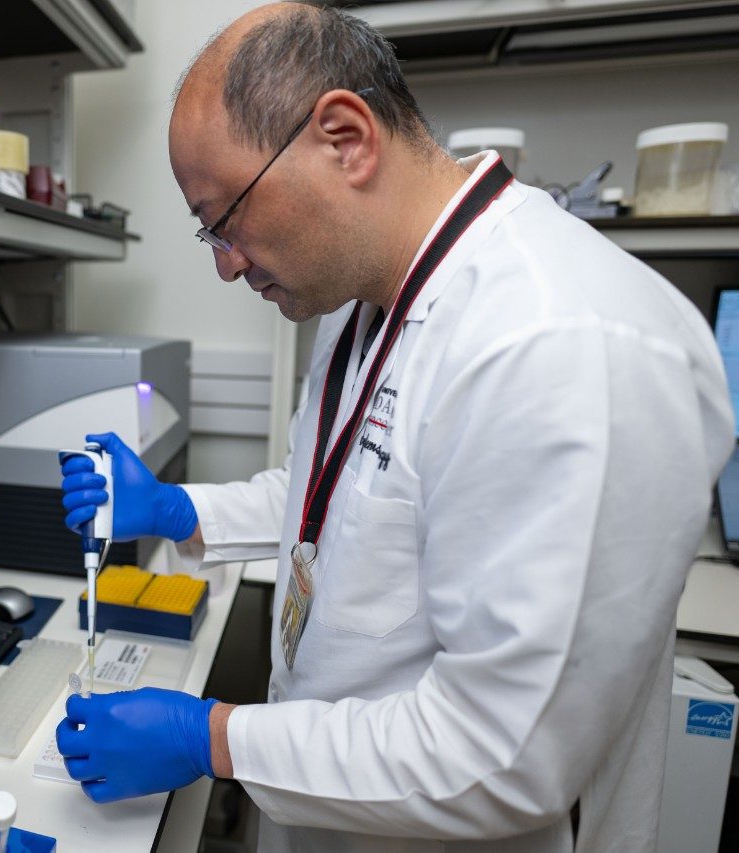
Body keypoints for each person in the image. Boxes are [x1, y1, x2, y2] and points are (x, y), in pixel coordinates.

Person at [54, 3, 734, 851]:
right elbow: (345, 498)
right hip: (340, 806)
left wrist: (213, 739)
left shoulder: (559, 342)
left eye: (224, 219)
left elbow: (498, 755)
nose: (224, 263)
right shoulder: (366, 297)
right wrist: (179, 510)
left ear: (345, 138)